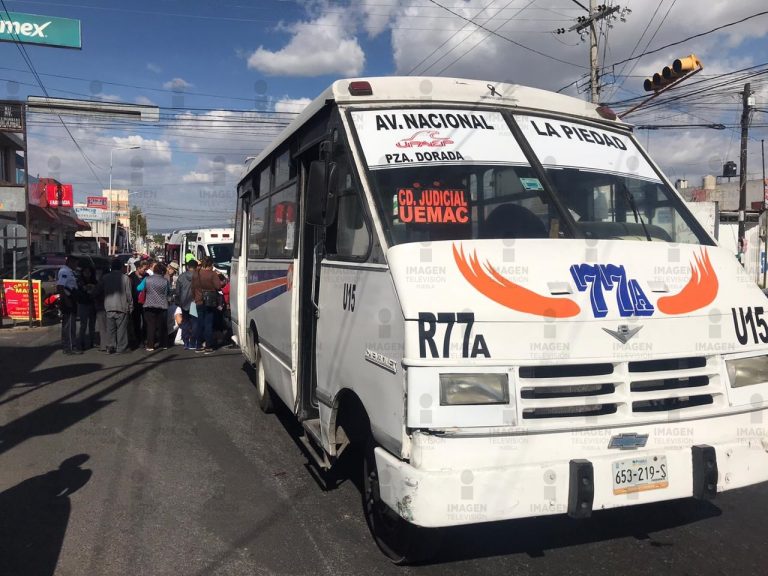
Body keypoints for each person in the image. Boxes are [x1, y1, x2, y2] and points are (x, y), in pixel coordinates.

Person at [98, 258, 133, 353]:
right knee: (121, 329)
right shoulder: (125, 278)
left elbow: (98, 290)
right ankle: (121, 348)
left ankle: (110, 346)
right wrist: (131, 306)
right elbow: (129, 294)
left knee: (110, 329)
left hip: (109, 306)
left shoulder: (105, 277)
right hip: (122, 306)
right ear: (121, 267)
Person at [191, 256, 221, 354]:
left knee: (200, 323)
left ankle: (198, 345)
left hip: (198, 300)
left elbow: (192, 288)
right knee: (208, 323)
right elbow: (218, 286)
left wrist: (195, 297)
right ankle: (208, 346)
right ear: (211, 264)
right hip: (210, 301)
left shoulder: (196, 273)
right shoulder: (212, 274)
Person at [142, 262, 170, 351]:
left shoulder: (147, 279)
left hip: (149, 304)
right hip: (162, 305)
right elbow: (167, 293)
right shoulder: (165, 281)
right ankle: (164, 344)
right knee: (162, 325)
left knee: (151, 326)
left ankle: (150, 345)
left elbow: (139, 288)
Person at [56, 256, 81, 355]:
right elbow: (60, 287)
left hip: (71, 300)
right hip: (68, 300)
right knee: (69, 326)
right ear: (70, 262)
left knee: (70, 324)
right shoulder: (64, 272)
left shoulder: (69, 271)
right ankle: (70, 347)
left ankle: (68, 346)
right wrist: (67, 301)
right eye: (75, 263)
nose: (76, 265)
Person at [176, 259, 197, 350]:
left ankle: (186, 342)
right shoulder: (197, 276)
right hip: (194, 302)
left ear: (187, 267)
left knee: (185, 322)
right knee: (194, 322)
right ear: (196, 267)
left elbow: (177, 292)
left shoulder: (181, 277)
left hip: (184, 302)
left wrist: (179, 301)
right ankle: (193, 342)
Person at [128, 260, 149, 349]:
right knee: (136, 322)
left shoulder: (147, 276)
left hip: (145, 302)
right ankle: (137, 339)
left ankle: (144, 339)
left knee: (145, 322)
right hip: (135, 302)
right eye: (144, 269)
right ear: (138, 268)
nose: (146, 271)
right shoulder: (131, 277)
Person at [76, 266, 97, 350]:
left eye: (89, 272)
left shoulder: (94, 281)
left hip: (92, 304)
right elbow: (78, 291)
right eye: (85, 272)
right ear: (83, 272)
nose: (87, 273)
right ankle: (82, 343)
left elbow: (96, 290)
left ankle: (92, 342)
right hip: (83, 304)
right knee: (83, 325)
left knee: (92, 325)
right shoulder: (79, 281)